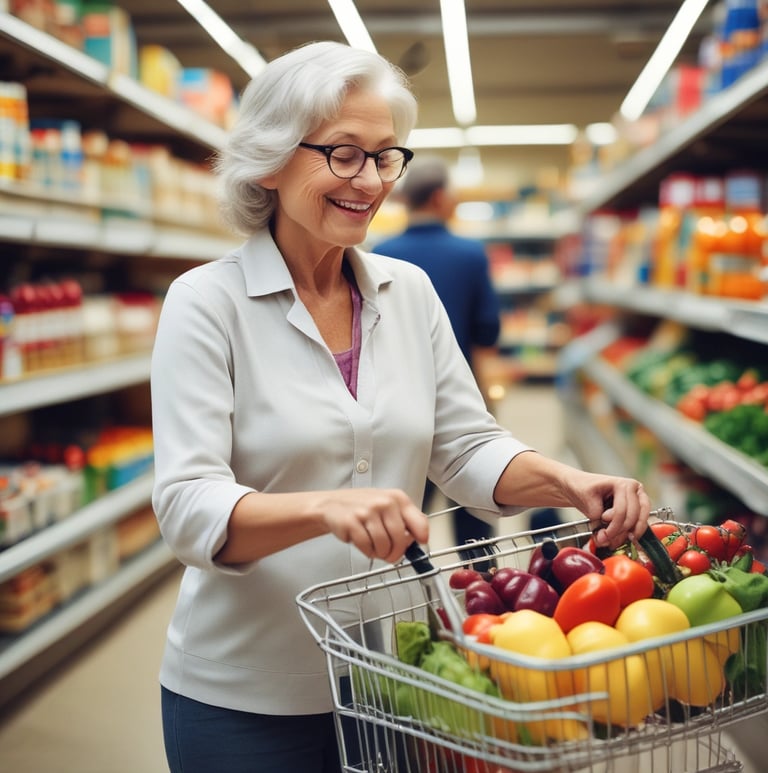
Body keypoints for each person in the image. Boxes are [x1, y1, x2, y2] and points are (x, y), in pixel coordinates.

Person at [150, 40, 651, 773]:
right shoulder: (205, 304)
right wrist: (323, 508)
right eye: (343, 154)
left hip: (397, 678)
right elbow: (189, 506)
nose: (371, 180)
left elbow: (466, 444)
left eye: (386, 156)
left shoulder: (408, 290)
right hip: (244, 697)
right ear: (268, 159)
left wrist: (566, 480)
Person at [374, 156, 502, 554]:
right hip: (461, 394)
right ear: (441, 197)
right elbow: (488, 331)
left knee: (406, 510)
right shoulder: (470, 254)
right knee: (473, 505)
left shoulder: (379, 252)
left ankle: (412, 597)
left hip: (394, 401)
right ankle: (481, 587)